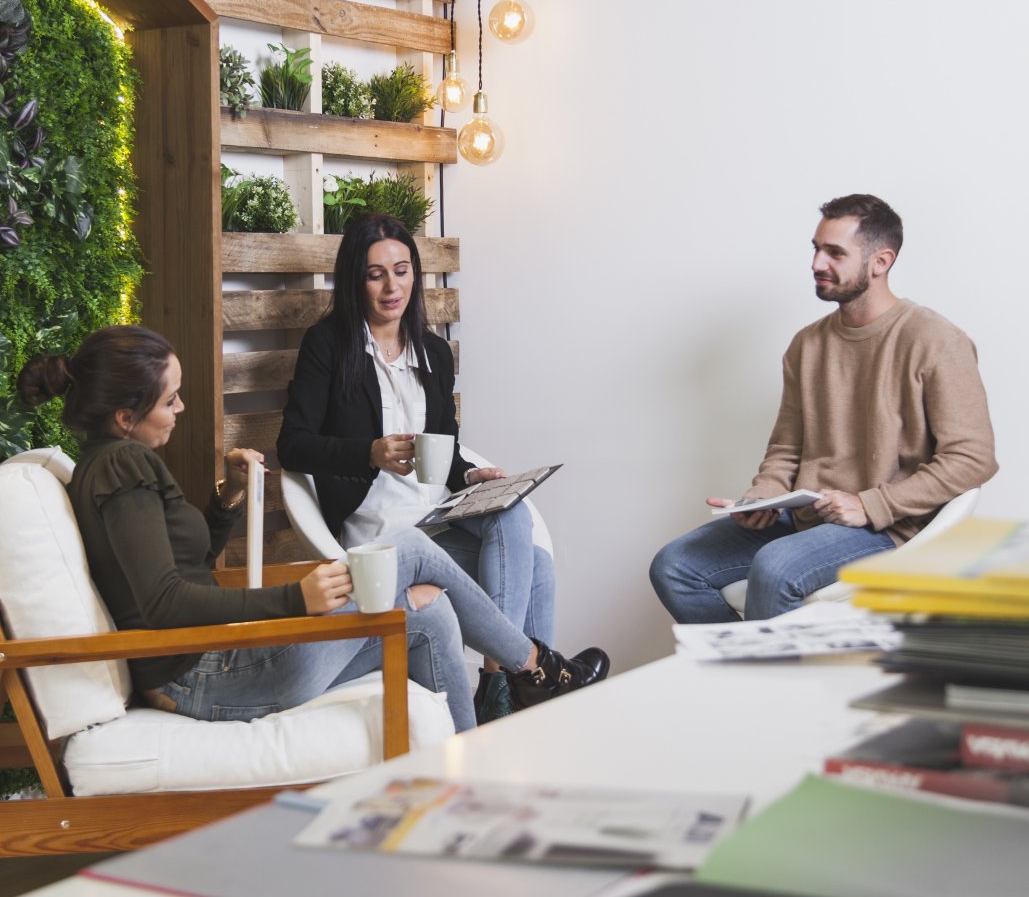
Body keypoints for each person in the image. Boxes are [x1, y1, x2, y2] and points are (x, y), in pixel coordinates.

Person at [16, 325, 609, 735]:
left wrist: (227, 500)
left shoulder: (111, 464)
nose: (181, 409)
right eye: (170, 400)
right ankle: (537, 668)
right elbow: (164, 602)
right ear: (125, 416)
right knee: (406, 546)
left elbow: (177, 566)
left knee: (428, 617)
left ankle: (468, 765)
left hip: (218, 662)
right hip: (205, 676)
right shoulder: (122, 465)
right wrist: (292, 598)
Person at [650, 194, 998, 623]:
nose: (816, 263)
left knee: (776, 568)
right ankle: (744, 674)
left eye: (834, 252)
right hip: (804, 517)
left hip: (886, 526)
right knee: (674, 566)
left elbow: (973, 457)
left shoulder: (935, 340)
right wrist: (762, 499)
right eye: (815, 248)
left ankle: (766, 685)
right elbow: (786, 449)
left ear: (880, 261)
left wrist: (870, 504)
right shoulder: (806, 344)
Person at [277, 213, 561, 723]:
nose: (392, 286)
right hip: (382, 531)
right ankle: (525, 687)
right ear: (355, 281)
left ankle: (500, 679)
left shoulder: (432, 352)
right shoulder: (327, 346)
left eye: (402, 270)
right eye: (376, 274)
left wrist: (471, 477)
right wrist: (370, 452)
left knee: (513, 516)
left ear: (416, 274)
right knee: (534, 565)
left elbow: (443, 449)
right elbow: (292, 446)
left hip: (437, 519)